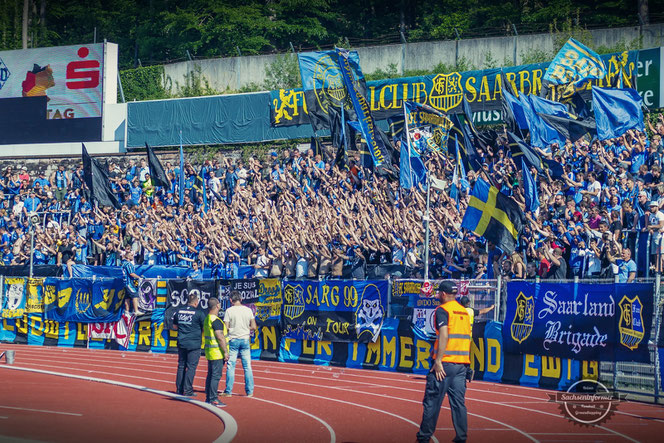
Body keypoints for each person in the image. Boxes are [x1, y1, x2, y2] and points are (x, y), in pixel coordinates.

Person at [417, 281, 470, 443]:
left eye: (439, 292)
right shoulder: (464, 312)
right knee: (459, 404)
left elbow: (445, 335)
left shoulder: (442, 310)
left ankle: (424, 438)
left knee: (432, 402)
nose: (437, 295)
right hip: (461, 364)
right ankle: (461, 438)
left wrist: (438, 360)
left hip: (445, 363)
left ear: (444, 294)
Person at [222, 290, 257, 398]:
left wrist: (232, 329)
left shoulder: (229, 311)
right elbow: (254, 326)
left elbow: (226, 327)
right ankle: (249, 391)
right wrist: (246, 328)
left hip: (233, 339)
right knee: (247, 367)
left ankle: (228, 391)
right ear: (241, 299)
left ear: (231, 300)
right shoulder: (248, 310)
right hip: (245, 339)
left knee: (231, 366)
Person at [172, 292, 206, 397]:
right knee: (191, 367)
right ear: (196, 302)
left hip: (181, 342)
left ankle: (179, 389)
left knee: (181, 366)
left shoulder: (178, 311)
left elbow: (174, 327)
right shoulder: (199, 313)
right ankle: (188, 390)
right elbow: (205, 329)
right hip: (194, 343)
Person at [204, 297, 229, 407]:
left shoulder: (207, 318)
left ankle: (208, 397)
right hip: (217, 352)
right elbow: (220, 337)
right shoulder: (216, 320)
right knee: (215, 376)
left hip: (210, 351)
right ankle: (213, 398)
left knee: (210, 375)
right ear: (217, 306)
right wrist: (226, 352)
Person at [121, 250, 143, 316]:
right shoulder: (128, 264)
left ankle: (127, 311)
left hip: (124, 283)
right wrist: (139, 277)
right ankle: (136, 310)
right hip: (128, 283)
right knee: (135, 295)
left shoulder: (123, 263)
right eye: (131, 255)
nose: (133, 256)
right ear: (127, 257)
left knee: (127, 297)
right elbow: (131, 273)